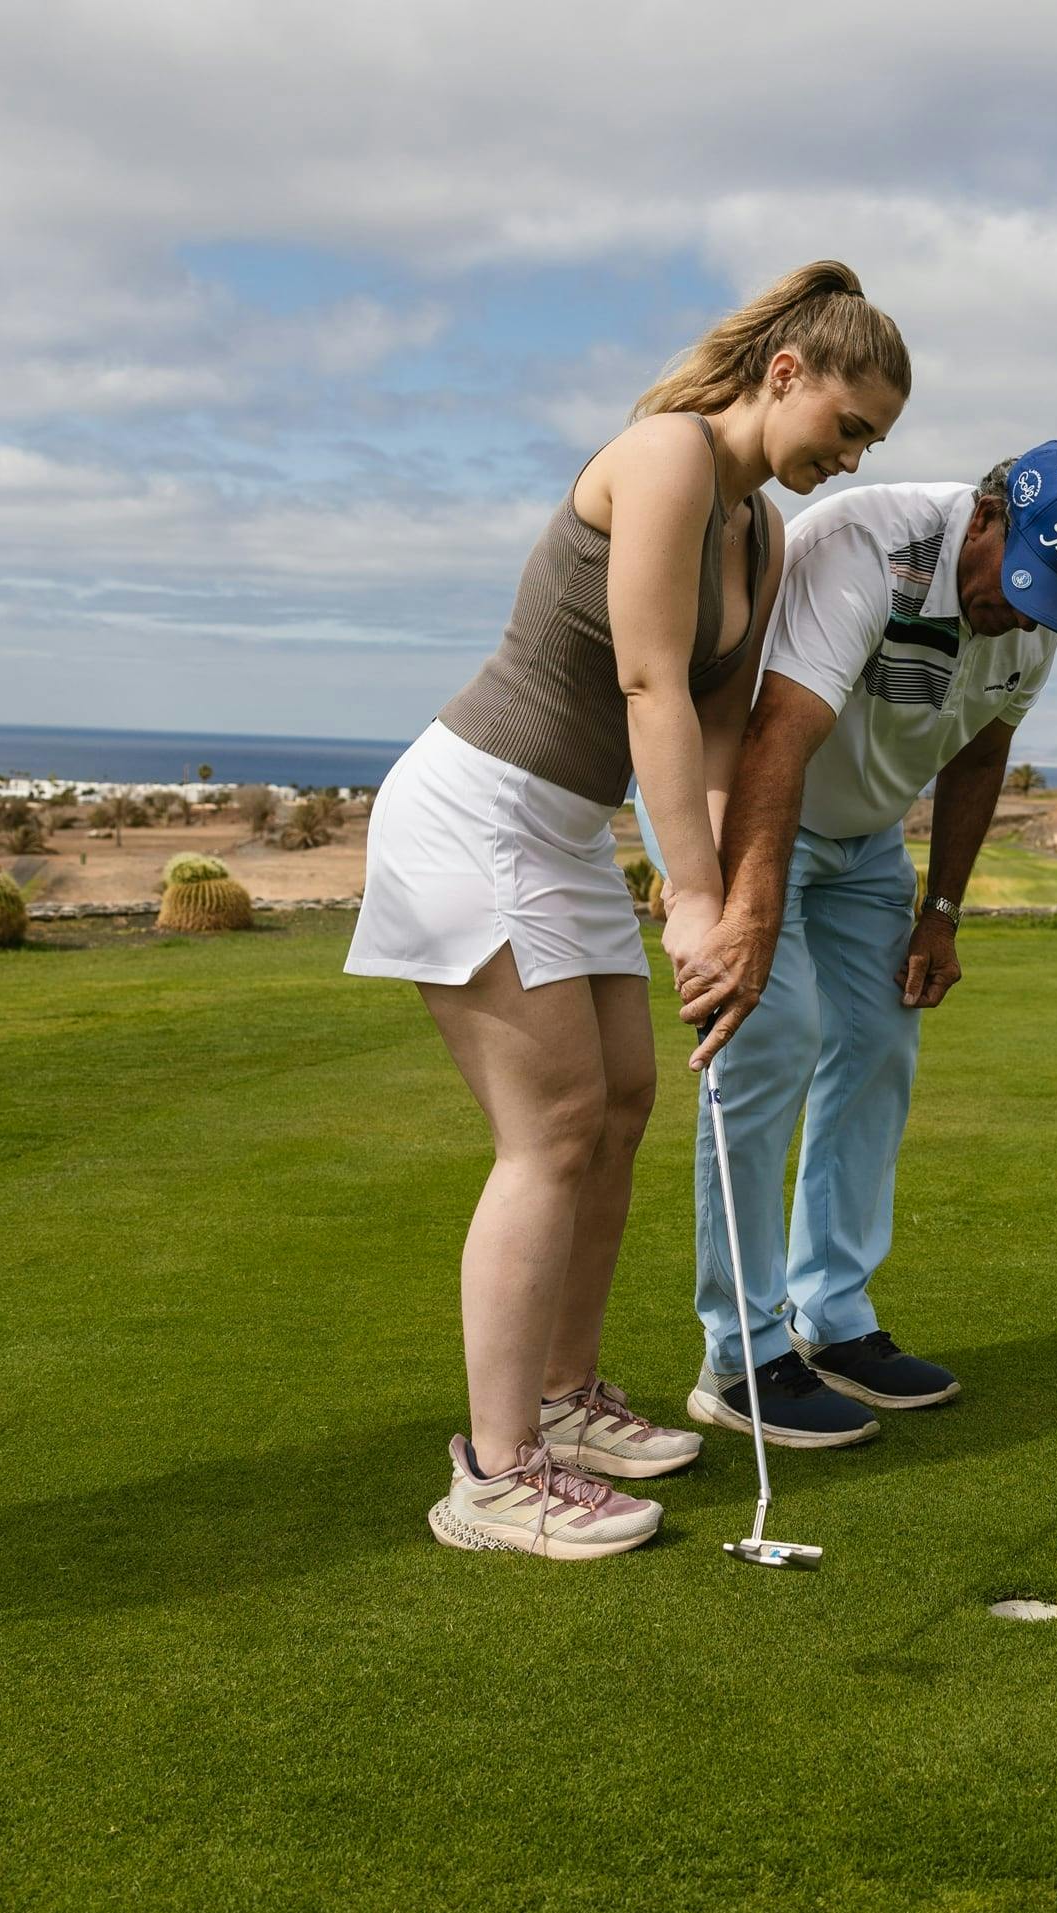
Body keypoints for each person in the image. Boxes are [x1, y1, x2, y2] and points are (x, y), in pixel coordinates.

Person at [345, 263, 911, 1556]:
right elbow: (651, 684)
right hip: (475, 812)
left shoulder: (758, 528)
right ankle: (493, 1477)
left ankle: (567, 1399)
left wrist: (705, 903)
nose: (856, 455)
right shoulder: (662, 459)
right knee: (547, 1132)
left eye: (875, 440)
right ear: (787, 377)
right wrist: (700, 897)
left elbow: (718, 729)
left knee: (623, 1109)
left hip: (564, 832)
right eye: (851, 424)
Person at [678, 441, 1057, 1447]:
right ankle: (739, 1356)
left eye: (1052, 601)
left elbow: (981, 750)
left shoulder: (1035, 612)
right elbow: (778, 737)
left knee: (883, 1040)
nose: (1020, 613)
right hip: (760, 815)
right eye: (1017, 583)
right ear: (984, 517)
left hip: (867, 841)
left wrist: (942, 909)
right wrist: (746, 913)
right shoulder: (862, 543)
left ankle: (831, 1320)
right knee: (772, 1038)